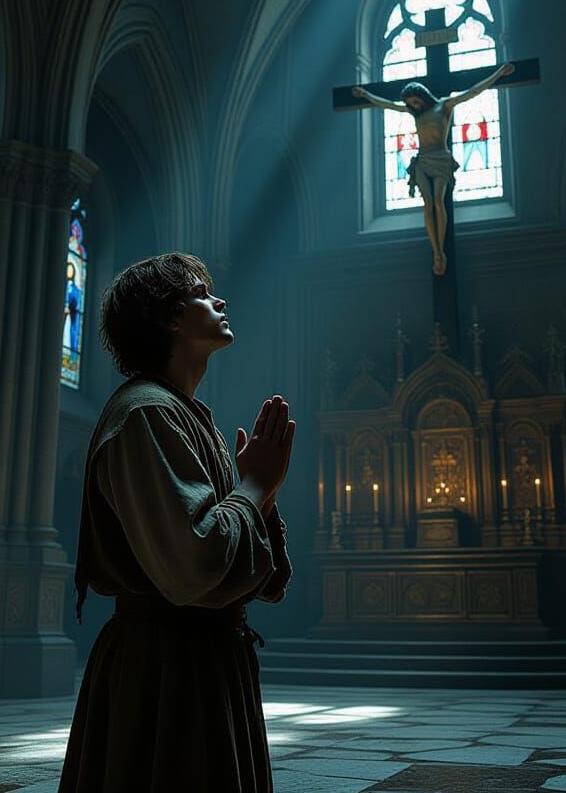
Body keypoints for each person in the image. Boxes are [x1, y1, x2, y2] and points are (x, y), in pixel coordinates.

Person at [60, 252, 294, 793]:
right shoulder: (146, 413)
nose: (219, 300)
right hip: (164, 675)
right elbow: (195, 567)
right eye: (200, 293)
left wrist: (262, 494)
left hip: (203, 662)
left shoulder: (187, 415)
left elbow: (264, 583)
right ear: (170, 318)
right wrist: (254, 487)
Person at [352, 62, 514, 275]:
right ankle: (437, 252)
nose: (415, 106)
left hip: (441, 159)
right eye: (411, 103)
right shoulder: (415, 113)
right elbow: (387, 105)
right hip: (422, 161)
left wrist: (498, 74)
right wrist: (365, 94)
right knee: (428, 205)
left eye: (416, 101)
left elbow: (474, 91)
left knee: (438, 202)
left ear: (424, 95)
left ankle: (441, 250)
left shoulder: (444, 106)